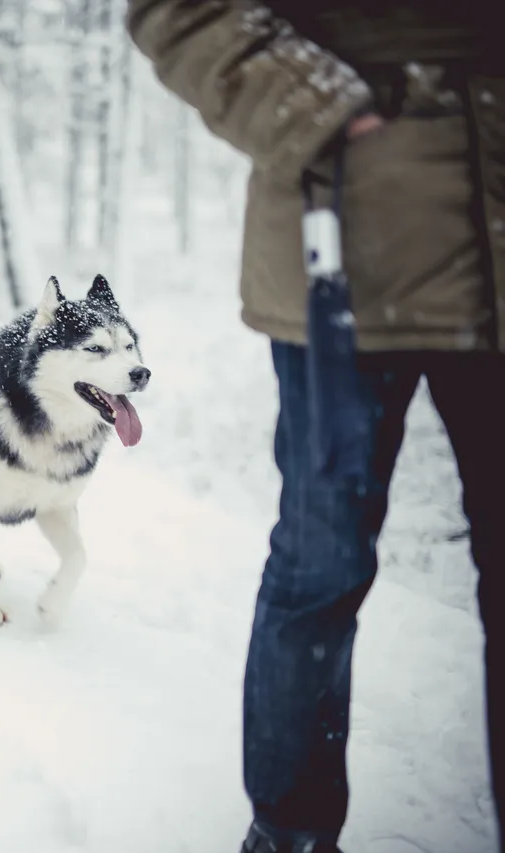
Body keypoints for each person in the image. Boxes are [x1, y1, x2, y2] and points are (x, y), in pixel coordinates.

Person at [126, 2, 502, 851]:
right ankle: (289, 829)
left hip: (496, 233)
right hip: (341, 234)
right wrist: (319, 105)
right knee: (321, 556)